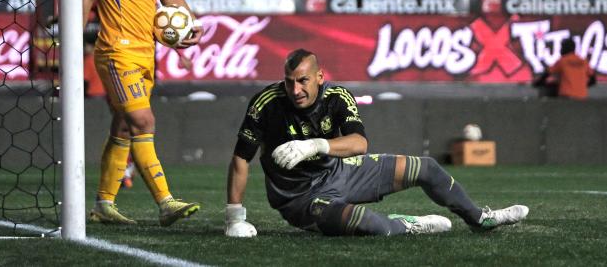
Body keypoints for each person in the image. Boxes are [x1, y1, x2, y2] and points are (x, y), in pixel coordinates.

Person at [224, 49, 529, 237]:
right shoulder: (266, 104)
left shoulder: (337, 97)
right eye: (289, 81)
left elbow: (359, 143)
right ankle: (409, 225)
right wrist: (234, 218)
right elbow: (241, 158)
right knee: (372, 226)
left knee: (427, 168)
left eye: (302, 80)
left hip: (339, 173)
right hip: (300, 200)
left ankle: (480, 219)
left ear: (319, 77)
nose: (295, 89)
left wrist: (316, 145)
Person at [82, 0, 202, 226]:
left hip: (146, 51)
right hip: (115, 51)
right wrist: (73, 49)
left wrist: (187, 24)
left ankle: (104, 204)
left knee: (123, 125)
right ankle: (165, 202)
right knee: (143, 121)